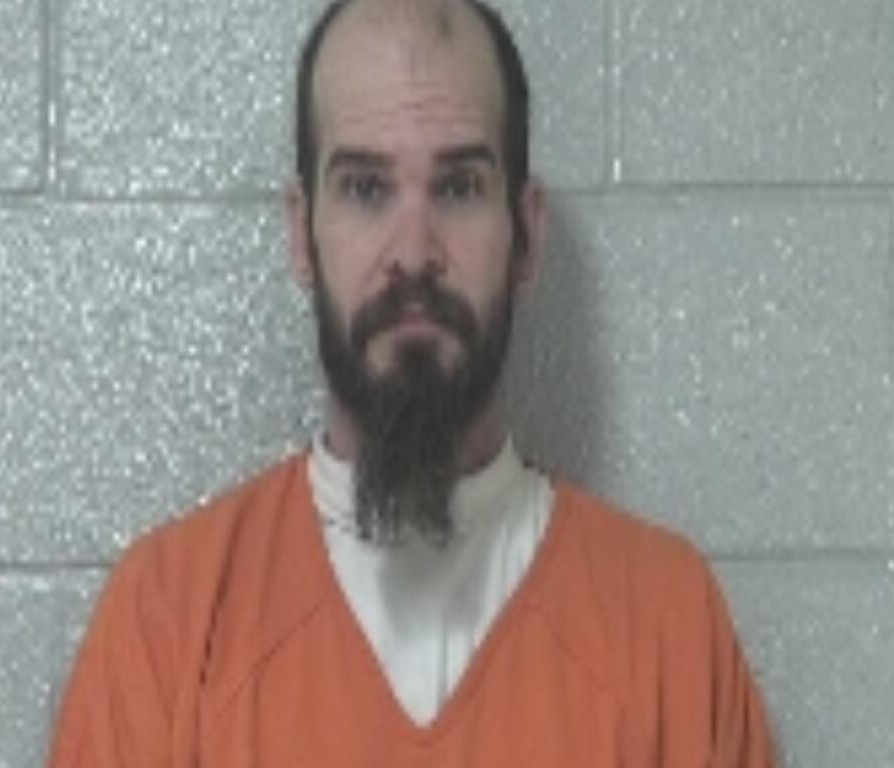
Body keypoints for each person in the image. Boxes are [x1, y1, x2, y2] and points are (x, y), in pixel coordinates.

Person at [46, 0, 776, 764]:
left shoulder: (667, 630)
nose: (414, 253)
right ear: (301, 234)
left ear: (526, 235)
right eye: (365, 189)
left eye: (458, 187)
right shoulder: (165, 627)